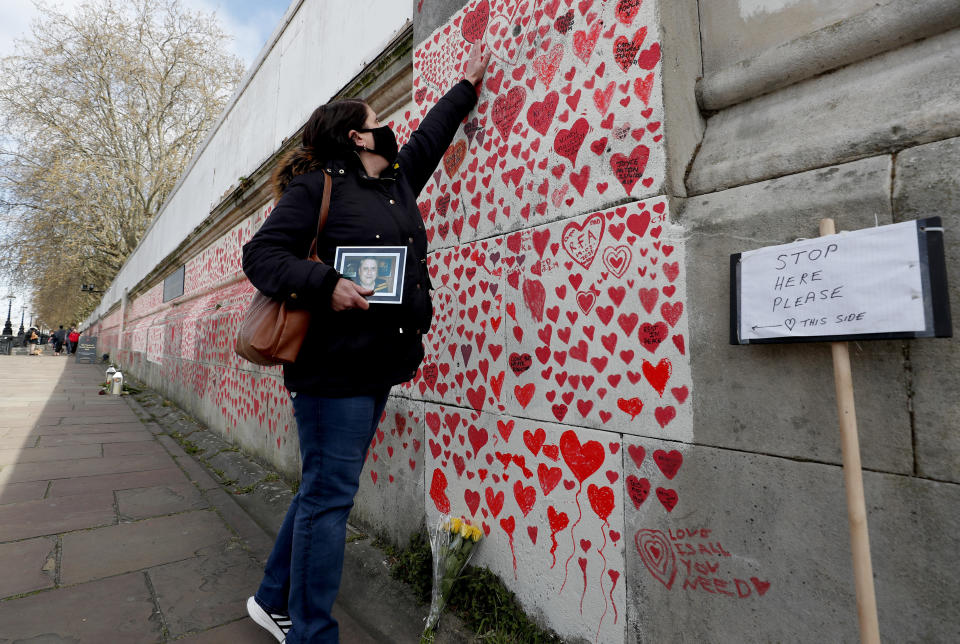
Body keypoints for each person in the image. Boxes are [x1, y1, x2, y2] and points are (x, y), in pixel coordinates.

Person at [241, 43, 489, 643]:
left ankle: (273, 599)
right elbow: (261, 256)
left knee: (321, 490)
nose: (389, 128)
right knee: (329, 501)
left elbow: (429, 137)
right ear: (356, 137)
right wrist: (326, 284)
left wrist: (465, 86)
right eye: (378, 121)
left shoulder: (396, 185)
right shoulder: (316, 190)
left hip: (379, 365)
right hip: (331, 372)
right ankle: (311, 633)